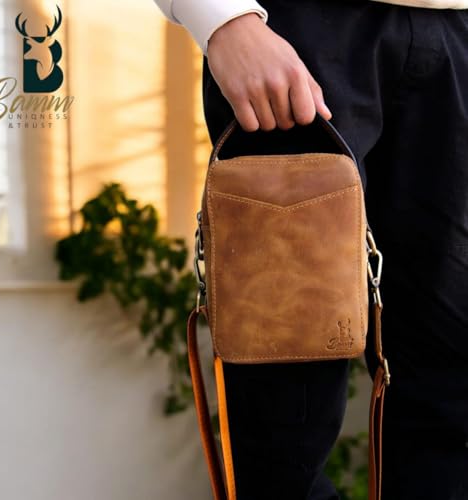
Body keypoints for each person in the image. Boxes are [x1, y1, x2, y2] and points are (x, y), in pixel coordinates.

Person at [153, 1, 468, 498]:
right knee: (283, 439)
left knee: (451, 414)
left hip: (457, 37)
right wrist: (222, 21)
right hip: (296, 35)